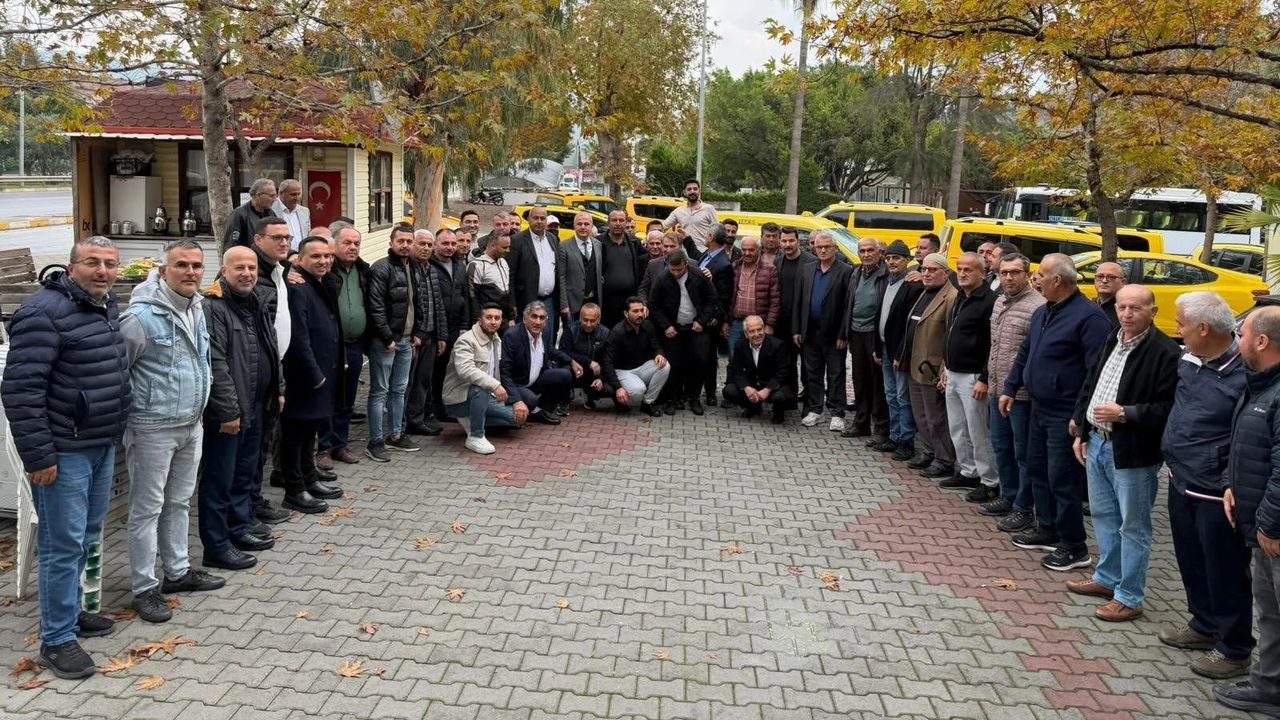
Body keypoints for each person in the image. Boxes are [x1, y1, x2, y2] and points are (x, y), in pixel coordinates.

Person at [2, 236, 131, 678]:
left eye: (110, 263)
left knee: (87, 535)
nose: (103, 271)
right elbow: (21, 390)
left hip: (100, 442)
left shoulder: (104, 304)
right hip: (63, 450)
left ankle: (72, 613)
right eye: (92, 262)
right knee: (62, 544)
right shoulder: (43, 313)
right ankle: (56, 639)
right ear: (72, 267)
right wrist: (39, 456)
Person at [119, 239, 220, 623]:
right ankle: (144, 587)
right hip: (152, 429)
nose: (190, 272)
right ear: (163, 271)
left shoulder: (197, 308)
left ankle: (177, 572)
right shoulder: (139, 318)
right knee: (147, 510)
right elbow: (120, 372)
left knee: (178, 503)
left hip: (191, 424)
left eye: (196, 265)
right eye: (181, 265)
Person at [1068, 284, 1180, 621]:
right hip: (1097, 442)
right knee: (1104, 516)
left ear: (1153, 312)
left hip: (1133, 452)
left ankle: (1129, 597)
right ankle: (1107, 578)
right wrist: (1082, 428)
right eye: (1121, 307)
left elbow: (1168, 408)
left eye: (1135, 308)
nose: (1127, 314)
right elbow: (1092, 383)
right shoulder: (1113, 338)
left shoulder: (1165, 352)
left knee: (1133, 526)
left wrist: (1125, 413)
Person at [1160, 292, 1253, 679]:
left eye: (1181, 323)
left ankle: (1234, 648)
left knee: (1225, 569)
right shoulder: (1190, 359)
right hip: (1180, 477)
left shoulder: (1245, 373)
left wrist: (1227, 478)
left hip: (1216, 491)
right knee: (1191, 559)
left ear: (1203, 328)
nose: (1177, 329)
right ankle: (1203, 624)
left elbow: (1245, 436)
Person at [1000, 253, 1112, 572]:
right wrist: (1010, 387)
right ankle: (1047, 528)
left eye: (1041, 274)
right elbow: (1026, 353)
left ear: (1058, 280)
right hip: (1039, 406)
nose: (1036, 279)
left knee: (1062, 479)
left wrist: (1080, 414)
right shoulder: (1043, 311)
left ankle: (1074, 545)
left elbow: (1095, 372)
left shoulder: (1089, 318)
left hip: (1065, 412)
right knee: (1038, 470)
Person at [1214, 306, 1280, 716]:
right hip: (1261, 528)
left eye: (1241, 335)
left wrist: (1271, 525)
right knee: (1270, 615)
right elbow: (1243, 444)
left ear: (1261, 341)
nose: (1237, 343)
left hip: (1273, 531)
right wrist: (1230, 485)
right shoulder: (1259, 386)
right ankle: (1268, 688)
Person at [199, 246, 282, 573]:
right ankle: (216, 546)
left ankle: (239, 526)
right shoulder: (214, 306)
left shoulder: (256, 301)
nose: (247, 273)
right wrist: (228, 412)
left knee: (244, 474)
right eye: (239, 268)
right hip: (230, 413)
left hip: (257, 404)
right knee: (220, 479)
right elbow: (216, 363)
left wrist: (278, 389)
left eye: (252, 268)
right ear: (224, 270)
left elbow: (271, 347)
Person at [279, 236, 343, 514]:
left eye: (328, 256)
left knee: (310, 433)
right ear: (300, 259)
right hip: (305, 377)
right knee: (295, 435)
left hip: (323, 372)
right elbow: (299, 338)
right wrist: (315, 374)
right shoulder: (298, 289)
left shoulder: (321, 283)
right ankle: (295, 490)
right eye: (316, 256)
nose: (324, 261)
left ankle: (309, 478)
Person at [984, 253, 1046, 532]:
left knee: (1023, 453)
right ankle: (1007, 496)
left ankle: (1024, 507)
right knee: (1001, 447)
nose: (1008, 277)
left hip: (1021, 395)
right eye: (1004, 272)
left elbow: (1034, 354)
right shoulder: (999, 301)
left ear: (1028, 274)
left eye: (1014, 272)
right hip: (996, 389)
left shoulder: (1038, 306)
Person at [247, 217, 294, 526]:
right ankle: (247, 507)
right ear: (258, 240)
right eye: (276, 237)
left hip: (274, 370)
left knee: (262, 444)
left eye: (287, 237)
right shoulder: (254, 274)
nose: (284, 242)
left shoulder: (279, 270)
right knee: (251, 449)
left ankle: (253, 501)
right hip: (255, 374)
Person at [941, 252, 999, 500]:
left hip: (973, 376)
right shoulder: (961, 296)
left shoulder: (990, 301)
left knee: (978, 431)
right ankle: (968, 471)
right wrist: (945, 368)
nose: (962, 274)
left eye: (969, 270)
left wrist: (984, 378)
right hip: (954, 371)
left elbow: (992, 343)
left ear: (982, 273)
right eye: (960, 269)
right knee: (958, 427)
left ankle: (990, 481)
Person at [365, 224, 426, 460]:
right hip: (386, 342)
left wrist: (418, 331)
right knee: (379, 391)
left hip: (407, 340)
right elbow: (376, 307)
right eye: (400, 241)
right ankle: (375, 441)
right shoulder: (381, 268)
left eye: (409, 241)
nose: (405, 245)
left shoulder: (414, 267)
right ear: (391, 242)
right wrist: (387, 337)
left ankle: (396, 435)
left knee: (399, 390)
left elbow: (418, 302)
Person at [898, 253, 959, 479]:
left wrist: (944, 369)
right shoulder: (925, 292)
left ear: (946, 272)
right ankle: (929, 451)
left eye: (932, 270)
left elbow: (951, 336)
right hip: (914, 364)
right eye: (924, 269)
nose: (926, 274)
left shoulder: (951, 297)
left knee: (936, 418)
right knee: (921, 415)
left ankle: (944, 460)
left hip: (932, 368)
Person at [442, 303, 526, 455]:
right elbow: (465, 370)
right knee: (480, 388)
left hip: (486, 397)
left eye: (497, 318)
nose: (493, 322)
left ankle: (472, 419)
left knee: (516, 418)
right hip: (459, 398)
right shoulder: (466, 340)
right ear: (480, 320)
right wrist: (495, 385)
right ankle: (476, 436)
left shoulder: (497, 340)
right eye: (489, 317)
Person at [319, 223, 369, 465]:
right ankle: (323, 449)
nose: (352, 247)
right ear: (334, 244)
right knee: (327, 398)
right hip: (330, 347)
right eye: (347, 243)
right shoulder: (326, 271)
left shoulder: (364, 271)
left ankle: (340, 445)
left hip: (355, 345)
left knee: (347, 399)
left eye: (356, 243)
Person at [794, 231, 853, 430]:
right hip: (810, 332)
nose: (823, 250)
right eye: (819, 247)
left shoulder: (846, 271)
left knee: (836, 374)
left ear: (835, 248)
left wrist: (843, 334)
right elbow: (799, 301)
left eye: (827, 247)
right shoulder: (807, 268)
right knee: (813, 373)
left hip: (834, 335)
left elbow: (847, 306)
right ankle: (815, 409)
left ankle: (837, 413)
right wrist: (797, 329)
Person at [648, 250, 718, 415]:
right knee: (675, 364)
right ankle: (673, 399)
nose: (676, 273)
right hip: (674, 328)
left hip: (696, 327)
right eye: (673, 270)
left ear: (686, 264)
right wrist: (666, 326)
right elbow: (653, 304)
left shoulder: (698, 275)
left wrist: (702, 320)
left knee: (700, 361)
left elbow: (712, 298)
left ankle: (694, 398)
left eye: (679, 269)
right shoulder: (663, 278)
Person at [877, 240, 923, 461]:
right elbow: (881, 315)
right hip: (885, 347)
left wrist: (901, 353)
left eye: (896, 258)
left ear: (907, 260)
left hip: (900, 352)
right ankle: (894, 437)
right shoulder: (888, 282)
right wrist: (877, 347)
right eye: (888, 258)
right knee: (891, 395)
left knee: (903, 397)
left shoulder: (913, 285)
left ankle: (906, 441)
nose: (891, 262)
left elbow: (909, 325)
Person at [841, 237, 890, 444]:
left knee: (877, 383)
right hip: (856, 332)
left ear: (880, 253)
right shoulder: (856, 272)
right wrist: (845, 334)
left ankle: (881, 428)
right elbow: (848, 304)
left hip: (875, 334)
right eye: (862, 251)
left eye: (871, 250)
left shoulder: (887, 275)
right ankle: (861, 423)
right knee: (859, 380)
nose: (866, 254)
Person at [500, 301, 574, 424]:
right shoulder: (512, 336)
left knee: (565, 375)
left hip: (534, 381)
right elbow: (505, 373)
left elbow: (551, 350)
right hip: (517, 385)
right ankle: (533, 410)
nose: (538, 322)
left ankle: (541, 410)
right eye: (534, 317)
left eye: (542, 318)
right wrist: (517, 400)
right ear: (525, 319)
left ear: (546, 321)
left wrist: (571, 361)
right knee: (531, 399)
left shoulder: (543, 333)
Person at [405, 229, 449, 435]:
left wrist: (441, 335)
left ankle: (419, 419)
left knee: (423, 381)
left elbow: (437, 304)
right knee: (408, 382)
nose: (426, 248)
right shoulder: (407, 269)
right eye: (421, 244)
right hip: (414, 337)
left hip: (431, 335)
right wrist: (415, 334)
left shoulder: (430, 268)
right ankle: (408, 422)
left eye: (430, 245)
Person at [430, 228, 473, 422]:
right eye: (445, 243)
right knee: (435, 371)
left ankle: (447, 407)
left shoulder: (460, 266)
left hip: (456, 327)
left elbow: (465, 298)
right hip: (436, 328)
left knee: (451, 370)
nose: (450, 247)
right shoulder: (429, 266)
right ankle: (434, 409)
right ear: (436, 244)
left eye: (453, 244)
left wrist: (464, 325)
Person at [603, 296, 670, 415]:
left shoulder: (648, 325)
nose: (640, 314)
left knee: (665, 365)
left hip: (642, 367)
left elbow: (656, 345)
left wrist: (659, 354)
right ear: (626, 313)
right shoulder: (617, 332)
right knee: (638, 391)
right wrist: (618, 388)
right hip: (622, 371)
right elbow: (607, 362)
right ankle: (619, 397)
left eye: (641, 310)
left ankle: (647, 403)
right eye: (635, 311)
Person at [723, 315, 796, 424]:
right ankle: (753, 406)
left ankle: (778, 412)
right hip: (752, 383)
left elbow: (783, 372)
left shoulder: (778, 345)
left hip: (772, 384)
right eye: (752, 331)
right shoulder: (740, 345)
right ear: (746, 334)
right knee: (729, 391)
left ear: (764, 329)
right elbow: (736, 370)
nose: (757, 334)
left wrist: (768, 389)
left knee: (780, 397)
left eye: (759, 329)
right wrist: (746, 387)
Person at [508, 205, 562, 341]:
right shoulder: (517, 240)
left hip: (549, 301)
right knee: (526, 339)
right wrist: (512, 304)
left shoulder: (553, 239)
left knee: (547, 339)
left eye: (542, 218)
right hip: (526, 300)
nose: (539, 221)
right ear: (528, 219)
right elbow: (510, 275)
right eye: (535, 218)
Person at [694, 225, 734, 405]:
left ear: (710, 237)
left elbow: (724, 296)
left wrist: (716, 318)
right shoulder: (706, 255)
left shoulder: (723, 264)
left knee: (709, 357)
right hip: (698, 314)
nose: (704, 236)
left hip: (710, 318)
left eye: (706, 234)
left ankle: (710, 393)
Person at [727, 236, 780, 359]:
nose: (747, 253)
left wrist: (769, 324)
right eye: (744, 249)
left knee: (759, 360)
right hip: (737, 323)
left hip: (759, 325)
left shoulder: (770, 270)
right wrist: (726, 322)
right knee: (734, 359)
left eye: (751, 250)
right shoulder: (735, 267)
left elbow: (775, 300)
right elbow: (728, 296)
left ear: (759, 250)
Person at [558, 302, 614, 408]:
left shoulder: (605, 333)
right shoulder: (570, 329)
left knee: (609, 390)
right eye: (585, 320)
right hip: (574, 369)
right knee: (563, 371)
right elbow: (563, 352)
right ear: (580, 317)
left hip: (594, 372)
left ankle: (590, 396)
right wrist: (588, 361)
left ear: (599, 319)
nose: (588, 324)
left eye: (592, 321)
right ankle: (564, 400)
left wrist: (601, 379)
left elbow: (607, 359)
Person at [774, 227, 814, 366]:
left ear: (798, 241)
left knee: (807, 366)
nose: (788, 244)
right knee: (785, 364)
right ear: (779, 242)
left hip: (804, 323)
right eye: (784, 241)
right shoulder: (777, 261)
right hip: (783, 323)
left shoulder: (812, 262)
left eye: (791, 241)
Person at [599, 209, 646, 326]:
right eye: (614, 220)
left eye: (621, 220)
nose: (618, 223)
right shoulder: (598, 242)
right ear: (608, 223)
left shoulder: (634, 242)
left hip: (629, 300)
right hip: (606, 301)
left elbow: (646, 261)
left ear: (626, 222)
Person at [560, 211, 604, 323]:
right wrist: (564, 304)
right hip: (573, 303)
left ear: (592, 226)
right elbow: (561, 277)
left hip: (594, 300)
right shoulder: (564, 246)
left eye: (586, 224)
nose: (583, 227)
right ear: (574, 226)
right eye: (579, 224)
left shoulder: (598, 245)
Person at [468, 230, 516, 327]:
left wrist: (511, 317)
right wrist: (478, 321)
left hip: (504, 319)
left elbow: (509, 291)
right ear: (493, 245)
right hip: (487, 320)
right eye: (504, 247)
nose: (508, 250)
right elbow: (472, 297)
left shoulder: (503, 262)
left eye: (509, 247)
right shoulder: (477, 265)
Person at [663, 178, 719, 253]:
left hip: (704, 253)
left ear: (699, 191)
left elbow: (717, 231)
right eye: (689, 189)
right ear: (684, 192)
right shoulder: (679, 211)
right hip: (686, 254)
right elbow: (663, 226)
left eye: (695, 189)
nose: (692, 191)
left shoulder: (709, 209)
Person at [225, 178, 279, 248]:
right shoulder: (239, 215)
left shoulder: (271, 214)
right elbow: (231, 244)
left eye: (275, 196)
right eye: (272, 196)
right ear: (258, 195)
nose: (275, 199)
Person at [638, 231, 680, 299]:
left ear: (680, 247)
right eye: (666, 246)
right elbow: (643, 289)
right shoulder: (652, 264)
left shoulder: (691, 264)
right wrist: (643, 303)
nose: (668, 250)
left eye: (672, 246)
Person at [272, 179, 310, 250]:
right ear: (280, 193)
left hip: (301, 254)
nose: (297, 198)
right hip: (280, 253)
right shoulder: (271, 210)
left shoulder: (305, 211)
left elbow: (307, 234)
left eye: (299, 194)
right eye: (293, 194)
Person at [1094, 261, 1127, 328]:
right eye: (1100, 276)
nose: (1104, 281)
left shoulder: (1126, 311)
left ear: (1123, 282)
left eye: (1111, 277)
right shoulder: (1088, 306)